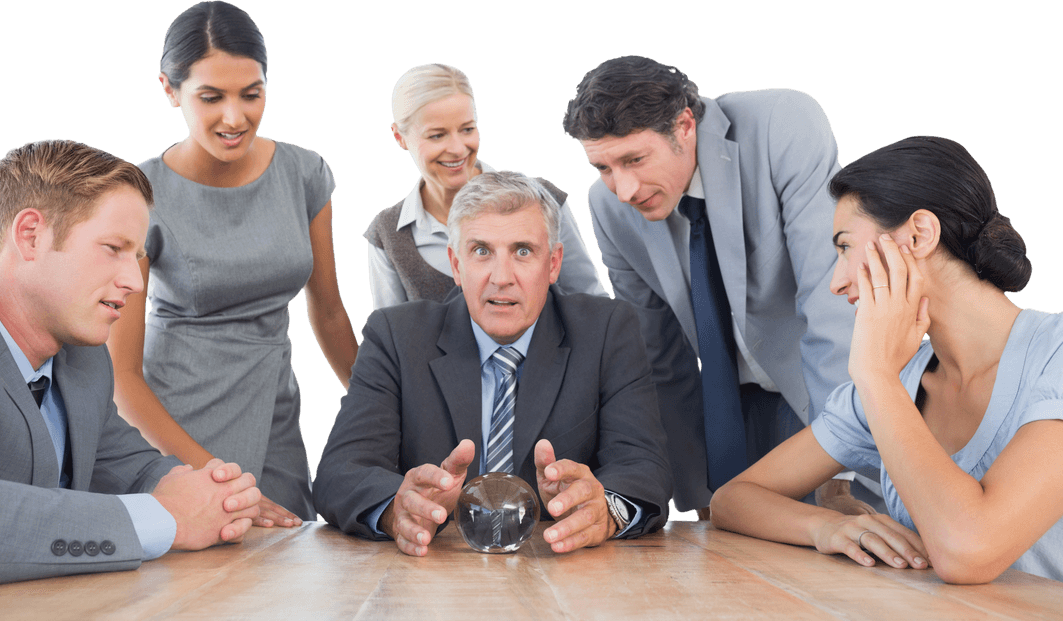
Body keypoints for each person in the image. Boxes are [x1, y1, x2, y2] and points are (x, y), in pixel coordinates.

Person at [711, 136, 1063, 584]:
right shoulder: (899, 384)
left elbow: (968, 550)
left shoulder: (1053, 355)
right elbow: (733, 500)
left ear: (919, 235)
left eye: (844, 247)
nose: (837, 283)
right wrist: (825, 526)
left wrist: (876, 373)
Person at [563, 55, 872, 517]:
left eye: (634, 159)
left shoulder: (783, 127)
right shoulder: (609, 209)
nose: (624, 189)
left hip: (820, 389)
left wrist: (839, 477)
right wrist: (699, 495)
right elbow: (658, 357)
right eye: (603, 168)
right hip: (729, 411)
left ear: (685, 125)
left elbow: (831, 303)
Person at [314, 170, 672, 556]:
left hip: (562, 568)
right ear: (456, 264)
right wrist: (395, 510)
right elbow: (340, 472)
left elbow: (644, 467)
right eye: (482, 251)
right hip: (434, 571)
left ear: (554, 264)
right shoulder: (396, 337)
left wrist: (606, 511)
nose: (502, 278)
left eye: (523, 251)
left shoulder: (607, 331)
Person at [107, 1, 359, 527]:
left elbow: (331, 312)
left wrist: (380, 410)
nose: (234, 117)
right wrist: (213, 475)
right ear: (170, 90)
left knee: (289, 558)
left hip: (276, 417)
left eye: (251, 93)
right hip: (177, 427)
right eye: (211, 97)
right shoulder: (140, 193)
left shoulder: (305, 173)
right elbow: (121, 376)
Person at [0, 139, 262, 586]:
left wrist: (215, 496)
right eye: (114, 247)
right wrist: (160, 520)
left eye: (137, 256)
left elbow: (128, 467)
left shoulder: (85, 361)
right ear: (31, 235)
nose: (135, 281)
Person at [364, 62, 607, 309]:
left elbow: (592, 305)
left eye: (467, 129)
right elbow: (389, 330)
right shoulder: (388, 233)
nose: (457, 148)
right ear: (400, 137)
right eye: (437, 135)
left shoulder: (542, 199)